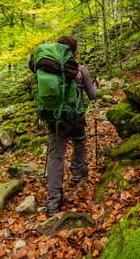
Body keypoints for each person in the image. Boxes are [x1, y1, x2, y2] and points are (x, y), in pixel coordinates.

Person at [45, 35, 99, 216]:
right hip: (74, 118)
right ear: (74, 53)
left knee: (55, 157)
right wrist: (95, 85)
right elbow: (92, 96)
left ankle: (53, 203)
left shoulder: (48, 70)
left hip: (53, 118)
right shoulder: (80, 70)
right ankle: (77, 170)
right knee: (80, 139)